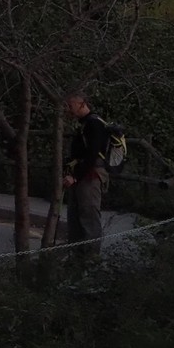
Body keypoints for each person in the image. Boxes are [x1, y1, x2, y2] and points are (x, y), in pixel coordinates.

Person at [65, 92, 110, 252]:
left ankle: (91, 257)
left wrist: (76, 176)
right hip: (81, 175)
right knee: (76, 217)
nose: (68, 109)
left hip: (91, 176)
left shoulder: (94, 124)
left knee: (88, 216)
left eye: (70, 105)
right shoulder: (83, 124)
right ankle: (77, 256)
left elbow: (92, 154)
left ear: (82, 104)